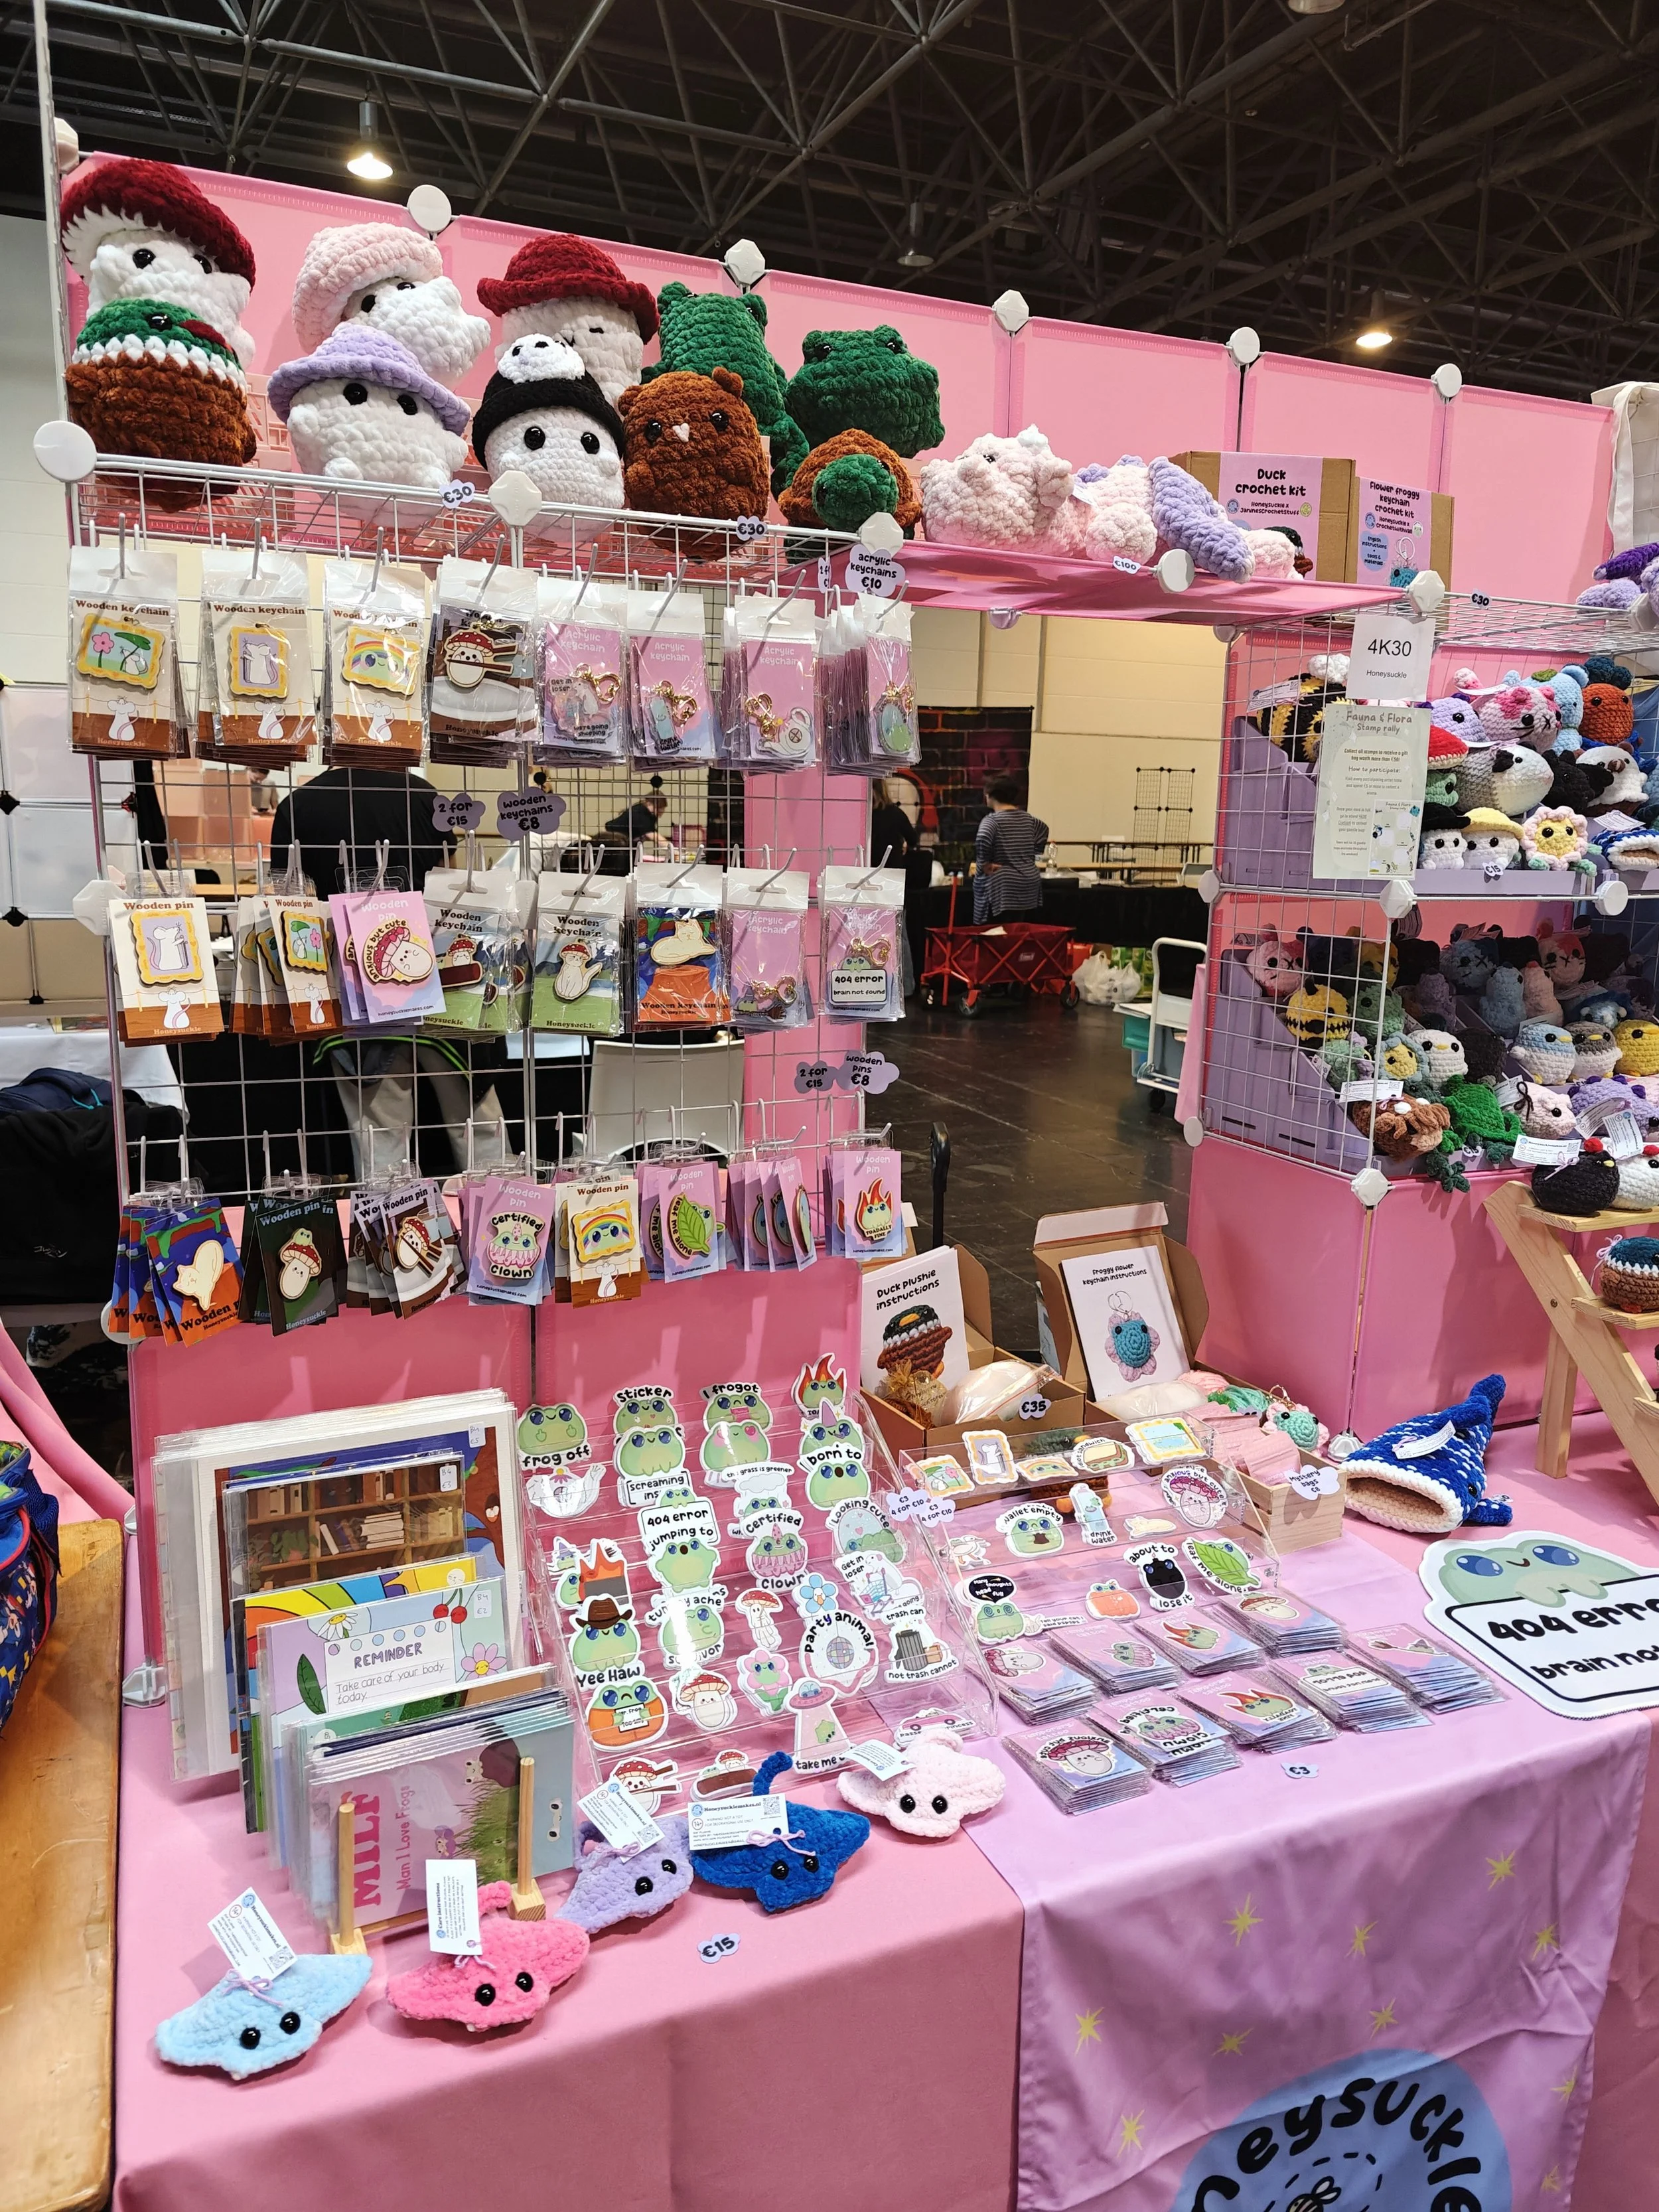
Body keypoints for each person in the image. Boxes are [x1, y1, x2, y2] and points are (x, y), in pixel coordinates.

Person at [268, 765, 445, 894]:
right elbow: (446, 865)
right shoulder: (424, 794)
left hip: (329, 928)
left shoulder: (295, 804)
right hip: (417, 928)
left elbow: (284, 887)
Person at [973, 774, 1048, 924]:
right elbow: (1043, 830)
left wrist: (985, 864)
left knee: (997, 932)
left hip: (1003, 886)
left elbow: (983, 839)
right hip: (1029, 884)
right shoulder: (1029, 820)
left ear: (991, 796)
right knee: (1017, 930)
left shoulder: (991, 821)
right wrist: (1032, 853)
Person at [603, 779, 668, 845]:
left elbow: (650, 834)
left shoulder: (649, 814)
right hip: (613, 839)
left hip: (621, 839)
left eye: (663, 808)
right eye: (659, 808)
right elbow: (651, 835)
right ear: (649, 804)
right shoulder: (641, 812)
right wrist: (671, 848)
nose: (662, 811)